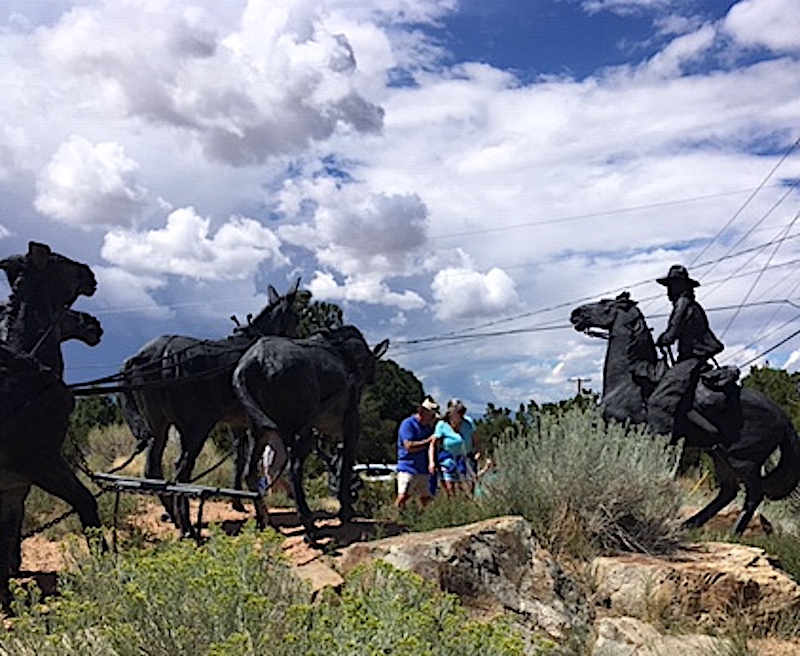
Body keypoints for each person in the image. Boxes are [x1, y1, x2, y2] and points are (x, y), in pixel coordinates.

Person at [647, 265, 724, 437]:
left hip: (692, 359)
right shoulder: (690, 305)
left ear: (682, 287)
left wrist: (661, 339)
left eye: (672, 286)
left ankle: (662, 444)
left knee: (658, 401)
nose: (668, 291)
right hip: (691, 359)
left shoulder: (683, 305)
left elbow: (671, 335)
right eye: (668, 287)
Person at [395, 396, 440, 509]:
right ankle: (396, 516)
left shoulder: (428, 427)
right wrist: (428, 441)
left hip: (422, 468)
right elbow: (409, 446)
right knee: (403, 496)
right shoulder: (408, 424)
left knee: (426, 498)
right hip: (408, 466)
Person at [430, 404, 469, 497]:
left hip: (461, 459)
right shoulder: (442, 426)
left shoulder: (465, 425)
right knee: (449, 487)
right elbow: (433, 443)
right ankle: (451, 504)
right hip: (447, 459)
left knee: (463, 486)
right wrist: (432, 461)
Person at [446, 399, 481, 490]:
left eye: (462, 411)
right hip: (451, 457)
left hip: (467, 455)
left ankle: (468, 500)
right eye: (458, 412)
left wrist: (478, 451)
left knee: (469, 482)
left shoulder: (469, 422)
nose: (461, 414)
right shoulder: (444, 424)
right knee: (452, 485)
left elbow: (475, 437)